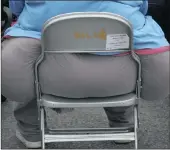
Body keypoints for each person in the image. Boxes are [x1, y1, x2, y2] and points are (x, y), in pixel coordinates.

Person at [2, 0, 169, 148]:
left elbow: (17, 7)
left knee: (26, 55)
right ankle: (122, 122)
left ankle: (31, 130)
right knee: (123, 51)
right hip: (116, 78)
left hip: (52, 77)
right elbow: (142, 7)